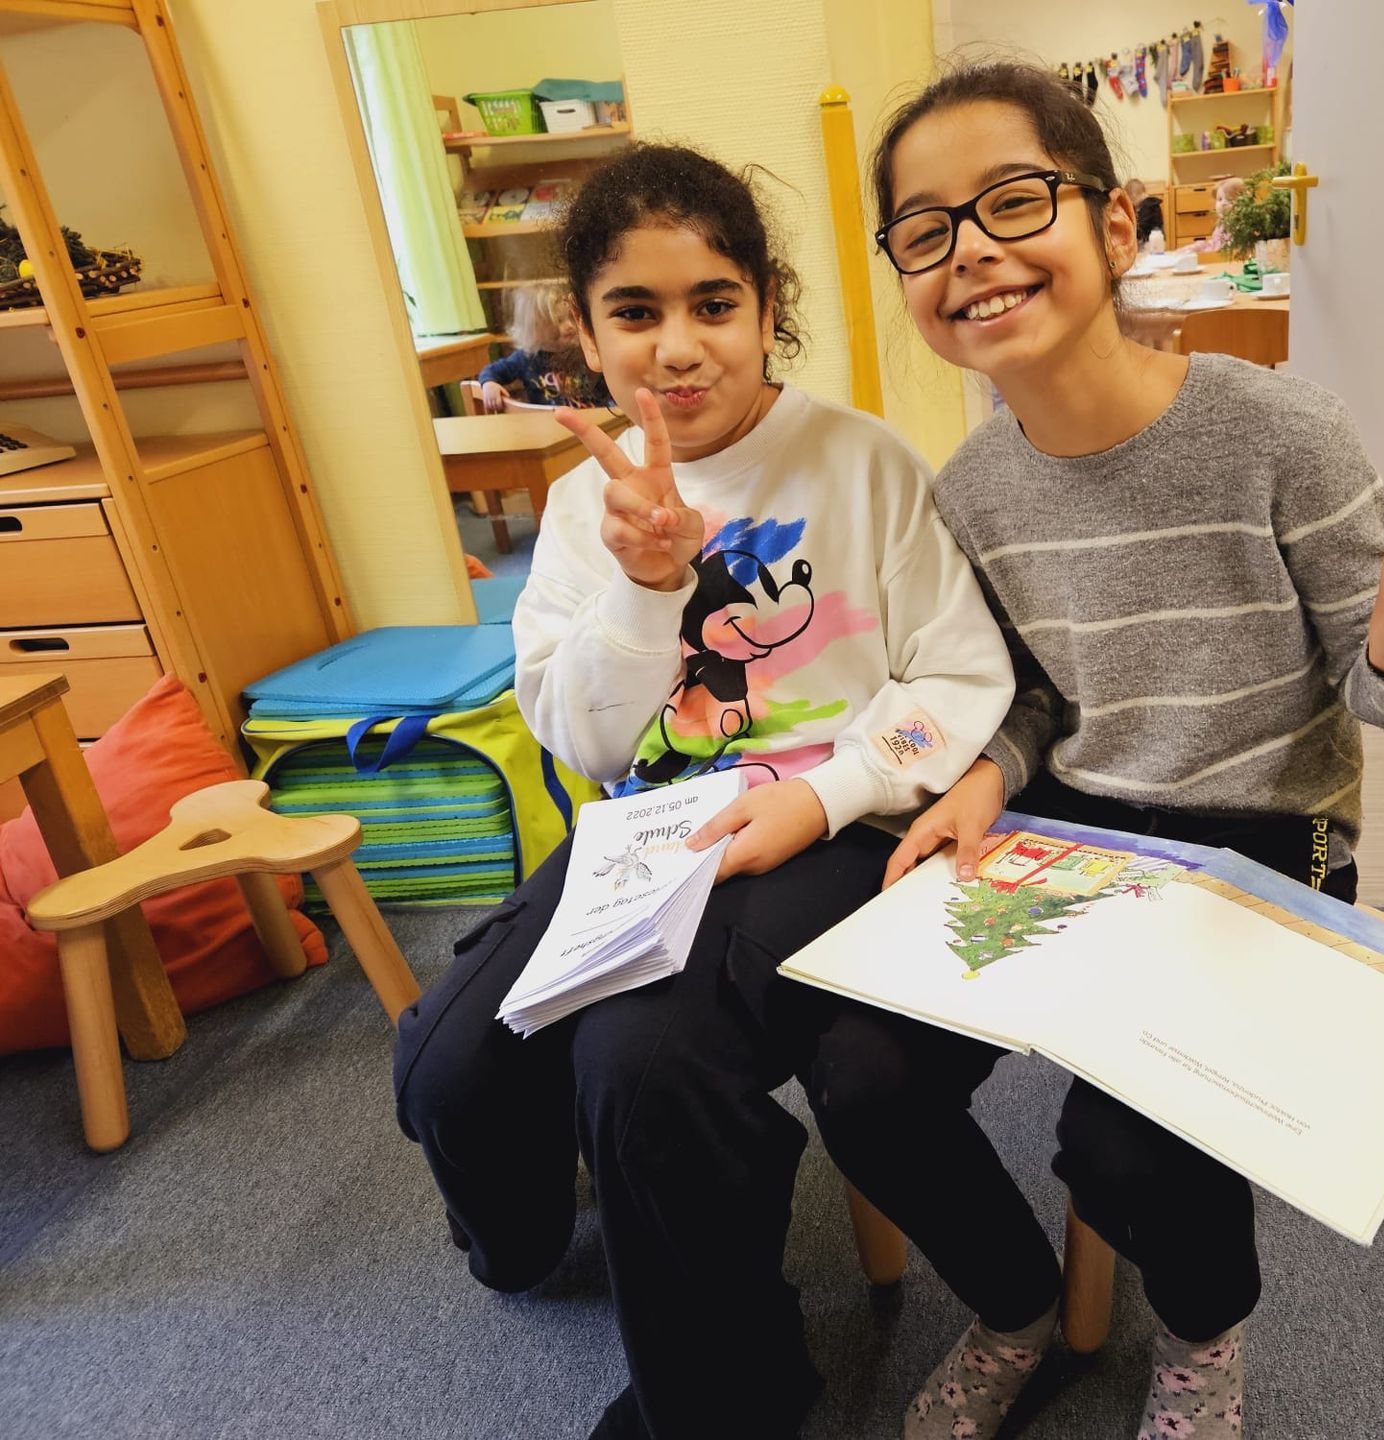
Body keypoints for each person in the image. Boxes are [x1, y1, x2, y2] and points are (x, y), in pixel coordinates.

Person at [839, 62, 1384, 1440]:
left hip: (1268, 833)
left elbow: (1383, 708)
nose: (971, 250)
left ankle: (1201, 1345)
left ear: (1116, 224)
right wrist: (983, 776)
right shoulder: (971, 491)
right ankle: (1017, 1307)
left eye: (1013, 200)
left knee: (1125, 1144)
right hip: (1075, 829)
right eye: (924, 228)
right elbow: (1027, 700)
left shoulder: (1277, 431)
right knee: (862, 1076)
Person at [391, 142, 1015, 1440]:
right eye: (636, 312)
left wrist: (829, 793)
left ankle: (730, 1398)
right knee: (447, 1064)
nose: (677, 348)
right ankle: (519, 1244)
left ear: (767, 307)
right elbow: (583, 740)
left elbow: (956, 680)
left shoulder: (861, 463)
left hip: (830, 836)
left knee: (641, 1068)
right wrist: (645, 586)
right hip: (650, 831)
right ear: (585, 333)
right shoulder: (584, 506)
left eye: (713, 304)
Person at [474, 283, 607, 409]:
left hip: (593, 419)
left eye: (571, 318)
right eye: (559, 320)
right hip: (548, 422)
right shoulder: (526, 358)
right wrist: (489, 384)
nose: (570, 325)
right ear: (534, 328)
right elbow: (491, 371)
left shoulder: (584, 350)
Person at [1124, 176, 1164, 245]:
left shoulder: (1146, 207)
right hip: (1158, 239)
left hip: (1150, 243)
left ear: (1133, 196)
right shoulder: (1153, 204)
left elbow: (1141, 226)